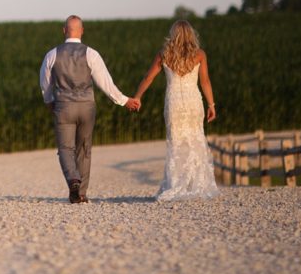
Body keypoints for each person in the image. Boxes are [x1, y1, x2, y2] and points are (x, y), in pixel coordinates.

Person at [40, 15, 141, 203]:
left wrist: (50, 102)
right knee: (84, 148)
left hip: (63, 106)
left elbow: (45, 84)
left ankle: (73, 180)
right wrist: (124, 100)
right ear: (82, 30)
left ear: (64, 31)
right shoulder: (91, 54)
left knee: (65, 148)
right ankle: (82, 193)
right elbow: (105, 83)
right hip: (87, 107)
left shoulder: (52, 54)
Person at [131, 20, 219, 201]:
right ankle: (196, 184)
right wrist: (211, 105)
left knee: (176, 143)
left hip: (174, 104)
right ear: (191, 35)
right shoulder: (200, 55)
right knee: (195, 140)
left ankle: (177, 184)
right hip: (194, 102)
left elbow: (148, 77)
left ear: (173, 35)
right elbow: (205, 82)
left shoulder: (164, 54)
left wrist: (137, 96)